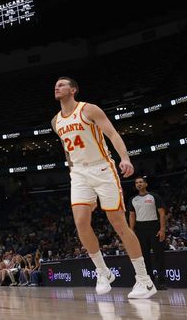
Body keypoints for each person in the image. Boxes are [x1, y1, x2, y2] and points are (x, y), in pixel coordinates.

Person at [52, 77, 156, 299]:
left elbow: (112, 134)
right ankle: (102, 271)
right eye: (56, 85)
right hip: (79, 173)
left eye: (62, 84)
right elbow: (67, 150)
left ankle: (144, 280)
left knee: (118, 223)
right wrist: (72, 169)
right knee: (80, 222)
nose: (57, 87)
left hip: (102, 168)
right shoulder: (55, 121)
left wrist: (125, 158)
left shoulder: (89, 109)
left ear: (73, 90)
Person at [128, 176, 168, 289]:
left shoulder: (154, 196)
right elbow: (131, 215)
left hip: (154, 227)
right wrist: (131, 231)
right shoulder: (132, 199)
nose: (138, 184)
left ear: (146, 184)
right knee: (144, 257)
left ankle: (161, 282)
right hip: (140, 229)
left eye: (141, 182)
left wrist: (162, 229)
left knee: (158, 255)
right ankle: (149, 282)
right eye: (136, 183)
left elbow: (162, 213)